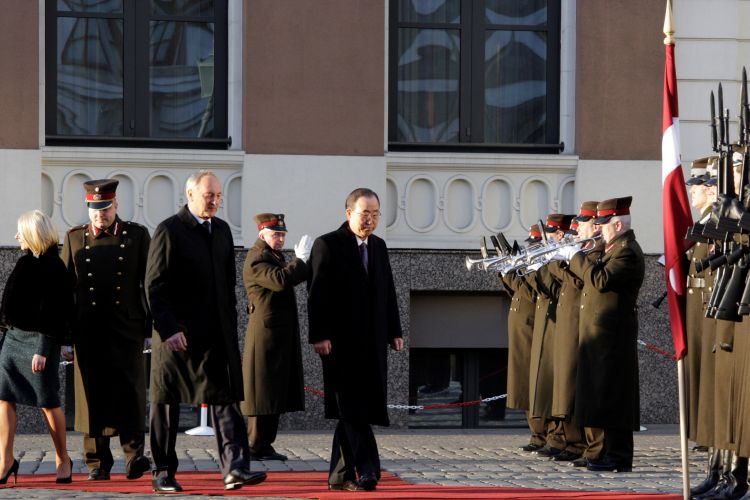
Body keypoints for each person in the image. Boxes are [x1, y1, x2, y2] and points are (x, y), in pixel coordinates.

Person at [145, 170, 266, 492]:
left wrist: (230, 328)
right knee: (166, 404)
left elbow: (227, 287)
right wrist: (169, 329)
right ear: (190, 195)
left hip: (214, 336)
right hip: (177, 337)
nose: (214, 201)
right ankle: (163, 472)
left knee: (226, 401)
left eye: (218, 196)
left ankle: (235, 469)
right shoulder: (169, 230)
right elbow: (154, 286)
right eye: (209, 195)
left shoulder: (222, 230)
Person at [307, 187, 404, 492]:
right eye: (365, 214)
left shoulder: (379, 246)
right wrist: (319, 335)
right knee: (351, 407)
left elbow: (388, 290)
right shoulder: (327, 244)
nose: (370, 220)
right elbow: (316, 293)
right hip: (339, 344)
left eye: (375, 214)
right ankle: (369, 469)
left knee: (353, 410)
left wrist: (395, 330)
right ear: (349, 213)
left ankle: (340, 476)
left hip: (372, 343)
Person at [61, 179, 152, 481]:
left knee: (130, 392)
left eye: (106, 208)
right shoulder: (75, 238)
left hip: (127, 327)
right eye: (95, 208)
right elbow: (65, 291)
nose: (100, 214)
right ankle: (97, 463)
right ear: (88, 208)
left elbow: (149, 282)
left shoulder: (136, 236)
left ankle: (134, 457)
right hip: (88, 329)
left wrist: (150, 328)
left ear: (116, 206)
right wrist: (65, 337)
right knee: (92, 395)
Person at [562, 196, 645, 472]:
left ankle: (618, 456)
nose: (599, 228)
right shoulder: (610, 249)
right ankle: (600, 451)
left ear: (618, 224)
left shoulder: (627, 251)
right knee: (600, 395)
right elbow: (588, 279)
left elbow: (600, 280)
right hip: (600, 335)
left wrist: (576, 257)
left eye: (604, 223)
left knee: (615, 397)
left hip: (614, 336)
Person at [0, 210, 74, 485]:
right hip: (12, 342)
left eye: (21, 231)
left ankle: (63, 458)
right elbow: (9, 306)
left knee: (48, 402)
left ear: (33, 233)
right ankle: (5, 460)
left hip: (39, 344)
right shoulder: (24, 262)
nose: (16, 236)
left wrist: (42, 349)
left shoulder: (55, 267)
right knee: (4, 398)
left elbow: (56, 312)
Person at [241, 213, 311, 461]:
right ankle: (253, 445)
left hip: (277, 334)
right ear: (262, 234)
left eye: (282, 235)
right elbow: (281, 280)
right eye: (275, 234)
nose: (280, 239)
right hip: (265, 335)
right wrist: (300, 260)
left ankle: (264, 444)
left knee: (274, 391)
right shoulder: (257, 258)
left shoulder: (273, 255)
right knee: (262, 392)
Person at [501, 225, 542, 452]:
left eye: (534, 243)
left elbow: (531, 293)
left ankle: (543, 434)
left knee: (533, 384)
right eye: (530, 243)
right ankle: (537, 434)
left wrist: (512, 274)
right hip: (523, 330)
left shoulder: (541, 265)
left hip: (532, 328)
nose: (530, 248)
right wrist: (505, 273)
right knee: (525, 384)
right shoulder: (532, 265)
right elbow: (517, 292)